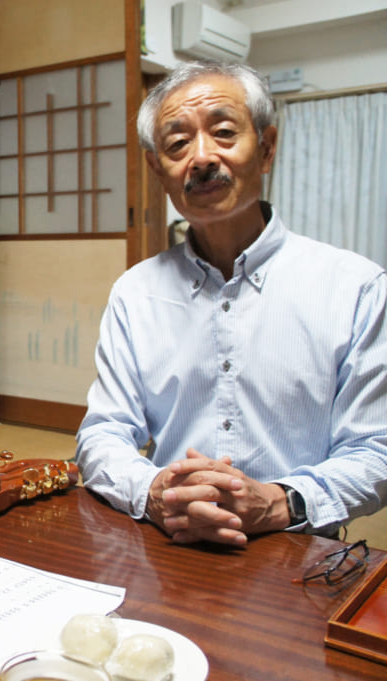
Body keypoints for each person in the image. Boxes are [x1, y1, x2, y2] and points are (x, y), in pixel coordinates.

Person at [75, 60, 387, 547]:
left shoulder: (356, 287)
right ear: (159, 170)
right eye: (177, 144)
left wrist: (279, 502)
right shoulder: (136, 292)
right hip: (168, 540)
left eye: (223, 132)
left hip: (299, 549)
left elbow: (375, 450)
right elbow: (102, 432)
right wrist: (156, 491)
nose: (201, 158)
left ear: (266, 149)